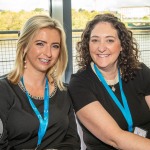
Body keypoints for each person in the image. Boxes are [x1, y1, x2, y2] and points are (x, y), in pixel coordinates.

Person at [68, 13, 150, 150]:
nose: (101, 47)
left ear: (122, 45)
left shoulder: (140, 71)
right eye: (95, 40)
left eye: (110, 40)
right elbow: (116, 138)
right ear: (88, 45)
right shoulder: (80, 84)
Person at [0, 15, 81, 150]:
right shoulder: (4, 90)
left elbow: (73, 142)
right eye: (40, 44)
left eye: (55, 46)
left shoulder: (64, 92)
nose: (48, 53)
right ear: (24, 46)